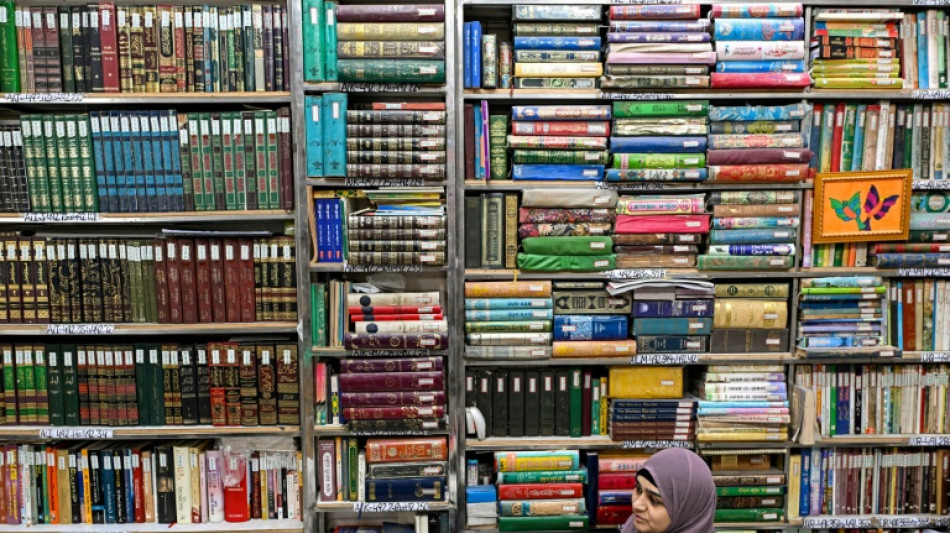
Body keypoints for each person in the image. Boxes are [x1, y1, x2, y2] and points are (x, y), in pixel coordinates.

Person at [620, 448, 716, 533]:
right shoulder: (631, 529)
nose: (637, 505)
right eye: (639, 489)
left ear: (687, 511)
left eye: (654, 500)